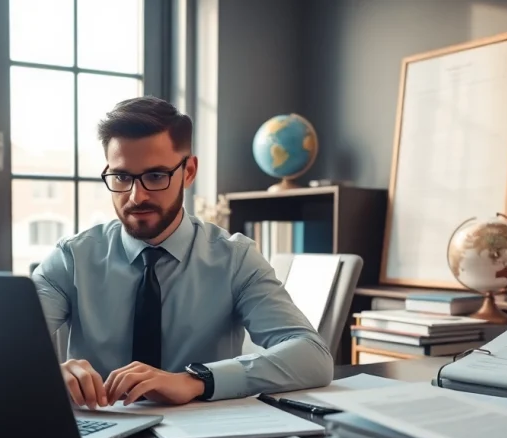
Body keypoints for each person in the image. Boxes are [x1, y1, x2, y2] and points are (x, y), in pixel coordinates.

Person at [31, 96, 333, 409]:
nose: (137, 196)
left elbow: (312, 355)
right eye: (122, 177)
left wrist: (195, 381)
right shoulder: (72, 259)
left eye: (156, 176)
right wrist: (47, 373)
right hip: (99, 436)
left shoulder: (235, 259)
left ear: (188, 172)